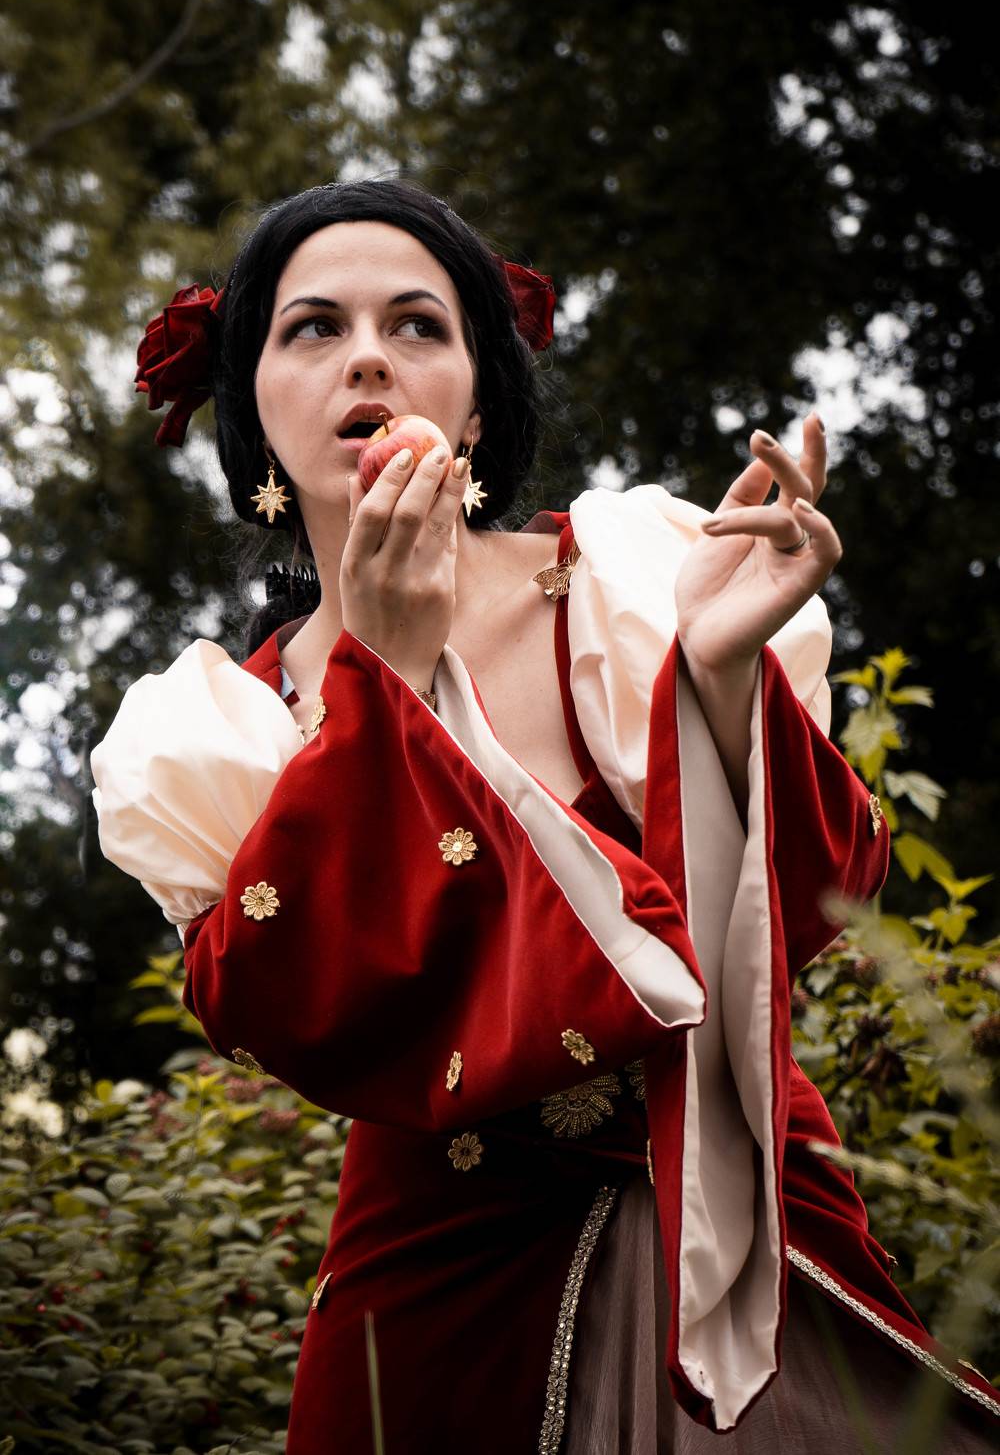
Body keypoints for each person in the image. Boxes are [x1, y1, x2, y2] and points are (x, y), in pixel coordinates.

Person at [90, 179, 999, 1452]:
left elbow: (805, 912)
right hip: (438, 1284)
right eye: (314, 328)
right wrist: (381, 681)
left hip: (744, 1213)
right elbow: (294, 1016)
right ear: (253, 404)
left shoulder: (635, 583)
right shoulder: (211, 735)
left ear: (478, 395)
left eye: (418, 324)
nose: (368, 357)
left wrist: (718, 678)